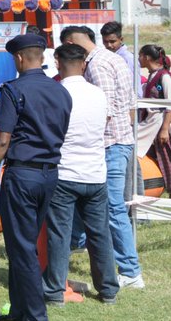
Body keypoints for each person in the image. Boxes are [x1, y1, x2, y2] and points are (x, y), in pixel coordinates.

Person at [0, 32, 71, 321]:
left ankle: (35, 320)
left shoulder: (13, 90)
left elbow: (2, 139)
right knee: (24, 246)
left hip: (22, 174)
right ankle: (18, 311)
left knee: (21, 249)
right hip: (49, 174)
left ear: (19, 58)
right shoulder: (61, 91)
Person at [59, 25, 142, 290]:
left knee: (113, 208)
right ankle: (79, 243)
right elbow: (128, 106)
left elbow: (104, 108)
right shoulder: (112, 58)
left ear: (73, 44)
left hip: (110, 144)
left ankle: (130, 270)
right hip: (119, 140)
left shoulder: (96, 65)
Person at [44, 43, 118, 306]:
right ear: (84, 64)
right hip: (95, 173)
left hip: (64, 173)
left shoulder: (55, 92)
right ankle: (108, 289)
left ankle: (54, 290)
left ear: (57, 63)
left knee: (59, 235)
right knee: (100, 234)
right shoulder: (98, 94)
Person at [138, 45, 171, 198]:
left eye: (140, 56)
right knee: (152, 157)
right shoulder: (152, 76)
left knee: (168, 160)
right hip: (150, 123)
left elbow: (170, 104)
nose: (138, 59)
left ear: (146, 57)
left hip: (161, 124)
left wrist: (165, 129)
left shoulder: (164, 77)